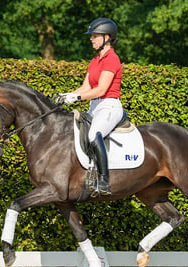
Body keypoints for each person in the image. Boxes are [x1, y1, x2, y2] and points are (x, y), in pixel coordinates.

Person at [56, 18, 123, 196]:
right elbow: (86, 88)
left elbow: (101, 89)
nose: (91, 39)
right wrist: (66, 95)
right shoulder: (95, 61)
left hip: (109, 106)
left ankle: (104, 181)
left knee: (94, 134)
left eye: (95, 36)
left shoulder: (112, 59)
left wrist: (76, 97)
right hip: (95, 106)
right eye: (91, 36)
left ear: (107, 38)